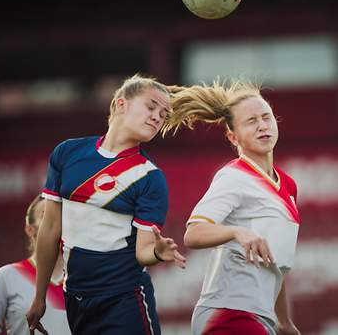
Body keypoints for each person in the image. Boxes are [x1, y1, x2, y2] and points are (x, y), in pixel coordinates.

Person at [27, 74, 186, 335]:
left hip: (124, 299)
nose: (158, 117)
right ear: (121, 104)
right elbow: (50, 228)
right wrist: (39, 297)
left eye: (163, 114)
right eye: (151, 106)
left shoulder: (150, 177)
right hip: (76, 299)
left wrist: (157, 253)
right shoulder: (66, 153)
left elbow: (143, 252)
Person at [162, 80, 301, 335]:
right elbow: (193, 233)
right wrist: (238, 232)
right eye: (251, 121)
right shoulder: (234, 177)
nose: (262, 125)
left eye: (266, 117)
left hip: (261, 318)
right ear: (232, 136)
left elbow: (275, 262)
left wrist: (284, 321)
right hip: (228, 314)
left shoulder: (288, 185)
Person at [0, 194, 71, 335]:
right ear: (30, 229)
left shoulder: (82, 278)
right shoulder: (7, 276)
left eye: (59, 215)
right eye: (45, 215)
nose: (53, 222)